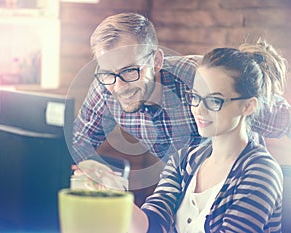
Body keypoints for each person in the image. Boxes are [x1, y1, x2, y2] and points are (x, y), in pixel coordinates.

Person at [72, 12, 290, 165]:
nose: (119, 86)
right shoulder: (106, 85)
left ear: (156, 61)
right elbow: (79, 143)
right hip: (188, 189)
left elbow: (285, 120)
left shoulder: (199, 79)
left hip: (239, 185)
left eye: (130, 71)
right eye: (108, 73)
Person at [129, 41, 286, 232]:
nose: (199, 110)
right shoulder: (183, 160)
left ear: (248, 106)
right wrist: (109, 198)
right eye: (195, 97)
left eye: (214, 100)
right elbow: (154, 222)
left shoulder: (261, 172)